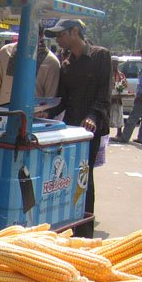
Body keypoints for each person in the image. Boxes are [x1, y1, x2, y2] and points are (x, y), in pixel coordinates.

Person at [40, 19, 111, 217]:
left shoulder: (100, 55)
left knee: (85, 176)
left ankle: (85, 223)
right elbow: (62, 100)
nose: (58, 40)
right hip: (70, 129)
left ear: (74, 32)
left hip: (91, 130)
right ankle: (67, 216)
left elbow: (104, 94)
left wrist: (92, 116)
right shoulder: (66, 64)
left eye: (60, 35)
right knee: (66, 176)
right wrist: (47, 113)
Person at [0, 31, 60, 106]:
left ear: (41, 36)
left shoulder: (51, 62)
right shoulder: (6, 52)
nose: (27, 37)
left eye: (32, 33)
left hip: (31, 112)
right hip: (3, 110)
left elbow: (50, 98)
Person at [109, 57, 128, 139]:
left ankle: (119, 133)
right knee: (107, 116)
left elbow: (125, 85)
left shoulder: (121, 75)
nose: (115, 65)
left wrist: (122, 85)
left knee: (119, 115)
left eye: (116, 63)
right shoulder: (107, 74)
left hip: (118, 99)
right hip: (108, 99)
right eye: (113, 63)